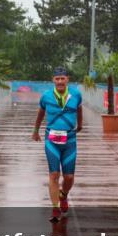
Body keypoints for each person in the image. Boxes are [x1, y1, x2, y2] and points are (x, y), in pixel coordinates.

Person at [32, 67, 83, 222]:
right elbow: (41, 112)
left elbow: (79, 109)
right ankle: (55, 208)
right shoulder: (46, 96)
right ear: (53, 80)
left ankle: (64, 195)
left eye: (63, 78)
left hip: (70, 140)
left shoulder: (76, 94)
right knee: (54, 175)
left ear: (68, 79)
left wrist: (80, 125)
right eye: (57, 79)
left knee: (69, 177)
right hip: (51, 140)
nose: (60, 81)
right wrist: (35, 131)